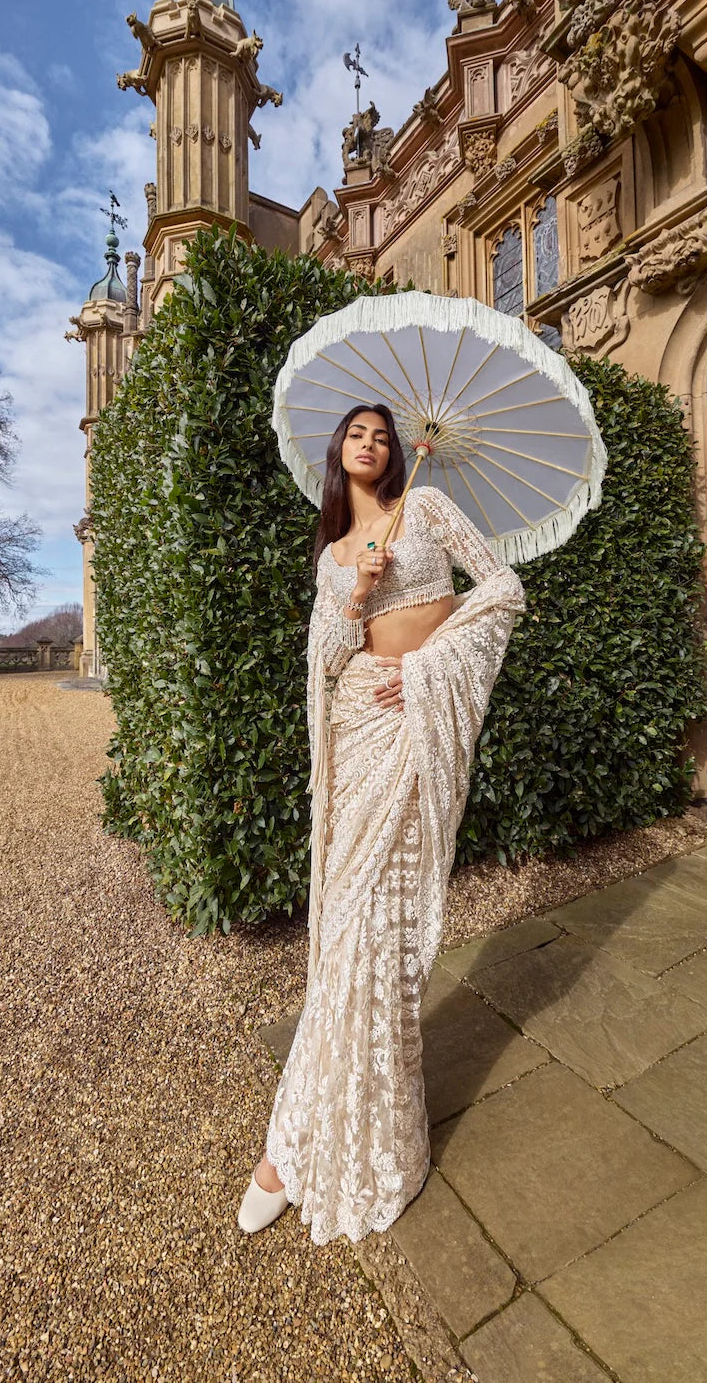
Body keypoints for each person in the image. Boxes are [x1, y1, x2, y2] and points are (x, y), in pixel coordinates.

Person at [238, 403, 526, 1244]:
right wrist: (357, 590)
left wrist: (434, 665)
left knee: (387, 931)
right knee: (346, 930)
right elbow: (327, 659)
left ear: (398, 452)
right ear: (338, 453)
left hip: (420, 720)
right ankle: (291, 1144)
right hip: (363, 725)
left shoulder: (429, 509)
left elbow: (502, 588)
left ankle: (343, 1140)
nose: (370, 444)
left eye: (381, 435)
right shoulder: (332, 556)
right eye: (356, 434)